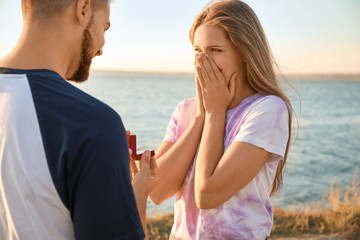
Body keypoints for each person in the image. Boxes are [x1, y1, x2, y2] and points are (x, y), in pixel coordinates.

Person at [0, 0, 157, 239]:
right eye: (105, 28)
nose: (102, 47)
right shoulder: (93, 125)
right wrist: (136, 198)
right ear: (83, 9)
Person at [149, 0, 294, 239]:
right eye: (197, 50)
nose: (202, 61)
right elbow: (156, 192)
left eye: (215, 50)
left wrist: (216, 114)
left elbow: (207, 195)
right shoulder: (186, 110)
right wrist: (201, 117)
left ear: (245, 53)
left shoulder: (267, 110)